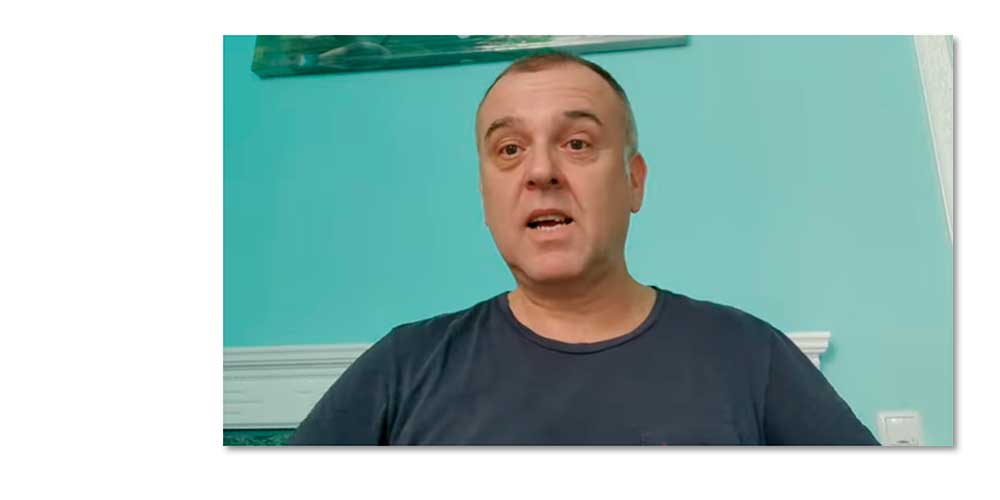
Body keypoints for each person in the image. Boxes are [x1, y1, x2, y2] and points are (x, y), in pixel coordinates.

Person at [288, 51, 879, 445]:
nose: (540, 171)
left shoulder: (750, 355)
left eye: (576, 143)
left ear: (634, 182)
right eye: (509, 150)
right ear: (485, 194)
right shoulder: (402, 366)